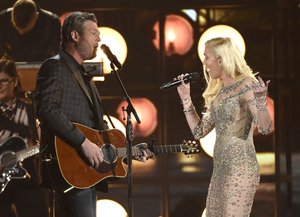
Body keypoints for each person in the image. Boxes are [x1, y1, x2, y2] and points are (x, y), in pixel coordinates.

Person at [35, 11, 154, 217]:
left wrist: (128, 151)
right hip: (70, 165)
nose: (99, 38)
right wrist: (82, 142)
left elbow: (97, 129)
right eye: (93, 33)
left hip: (87, 169)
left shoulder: (84, 74)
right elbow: (46, 108)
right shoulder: (55, 65)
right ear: (74, 36)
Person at [176, 37, 273, 217]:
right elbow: (199, 131)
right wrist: (186, 99)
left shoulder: (246, 84)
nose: (203, 62)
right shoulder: (218, 94)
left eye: (206, 57)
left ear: (220, 59)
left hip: (240, 168)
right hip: (220, 171)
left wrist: (261, 103)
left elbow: (266, 128)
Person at [0, 57, 49, 217]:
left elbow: (43, 142)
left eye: (3, 81)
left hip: (27, 177)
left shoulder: (29, 110)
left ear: (14, 82)